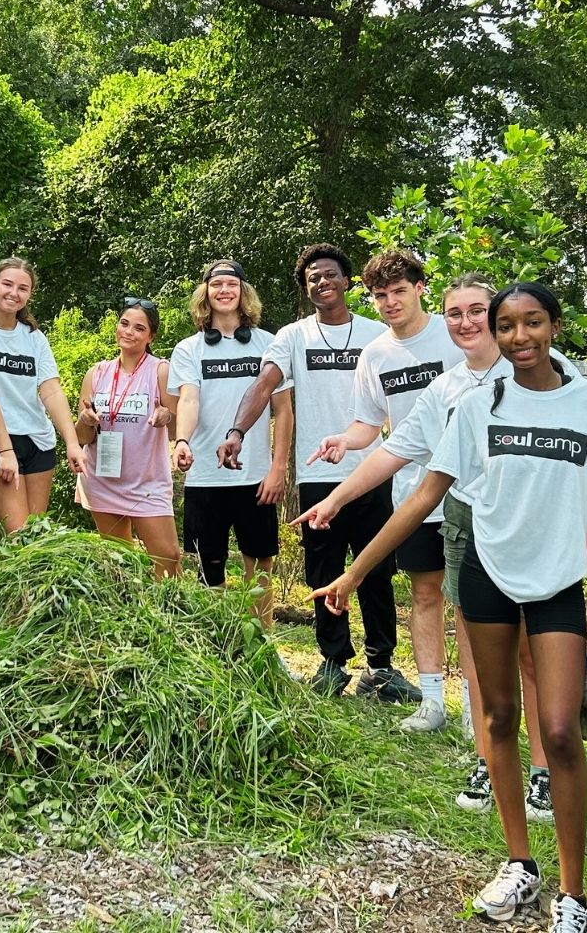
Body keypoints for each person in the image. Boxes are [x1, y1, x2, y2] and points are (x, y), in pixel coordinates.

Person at [314, 282, 587, 933]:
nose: (519, 337)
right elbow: (424, 495)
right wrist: (356, 569)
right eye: (508, 325)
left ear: (554, 326)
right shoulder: (477, 405)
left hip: (558, 582)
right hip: (486, 573)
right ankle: (520, 867)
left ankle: (574, 896)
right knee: (498, 717)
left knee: (563, 733)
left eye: (532, 323)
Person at [295, 277, 559, 810]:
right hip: (464, 528)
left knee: (530, 654)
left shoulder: (535, 376)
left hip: (529, 531)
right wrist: (336, 500)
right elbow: (396, 453)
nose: (465, 323)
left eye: (477, 312)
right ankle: (489, 762)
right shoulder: (448, 390)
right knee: (483, 650)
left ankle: (543, 771)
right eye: (456, 313)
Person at [214, 244, 395, 695]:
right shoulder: (293, 336)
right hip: (318, 474)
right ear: (306, 287)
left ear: (348, 281)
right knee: (323, 569)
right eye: (313, 277)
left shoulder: (378, 333)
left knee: (375, 570)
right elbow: (265, 384)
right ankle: (333, 662)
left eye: (330, 274)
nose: (322, 282)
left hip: (373, 469)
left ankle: (383, 668)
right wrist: (237, 430)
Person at [307, 249, 466, 727]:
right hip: (414, 493)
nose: (391, 302)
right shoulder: (375, 353)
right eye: (381, 295)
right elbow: (369, 425)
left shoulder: (455, 335)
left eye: (399, 291)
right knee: (424, 594)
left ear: (421, 289)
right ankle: (434, 701)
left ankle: (476, 706)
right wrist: (343, 439)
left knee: (470, 600)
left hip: (469, 491)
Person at [167, 259, 290, 626]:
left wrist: (277, 468)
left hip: (255, 476)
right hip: (206, 476)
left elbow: (283, 410)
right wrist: (182, 440)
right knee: (209, 571)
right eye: (216, 284)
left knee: (260, 567)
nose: (224, 291)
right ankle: (217, 649)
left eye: (231, 284)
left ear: (243, 292)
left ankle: (262, 649)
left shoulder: (270, 344)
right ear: (205, 293)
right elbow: (188, 399)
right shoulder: (189, 349)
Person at [0, 257, 87, 530]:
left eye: (23, 288)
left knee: (36, 534)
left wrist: (72, 443)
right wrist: (4, 450)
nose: (13, 293)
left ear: (30, 294)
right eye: (7, 284)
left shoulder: (34, 337)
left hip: (38, 442)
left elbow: (51, 390)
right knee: (18, 535)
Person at [75, 297, 179, 579]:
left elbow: (178, 429)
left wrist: (166, 416)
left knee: (168, 558)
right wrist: (84, 420)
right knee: (119, 561)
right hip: (102, 478)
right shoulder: (97, 373)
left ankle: (166, 618)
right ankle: (128, 617)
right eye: (124, 324)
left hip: (147, 482)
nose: (129, 332)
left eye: (139, 328)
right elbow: (81, 438)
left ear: (151, 336)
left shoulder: (160, 370)